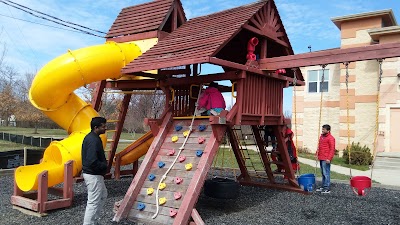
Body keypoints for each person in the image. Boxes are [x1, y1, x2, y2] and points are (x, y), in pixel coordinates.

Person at [82, 117, 108, 225]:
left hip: (95, 175)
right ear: (96, 127)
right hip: (93, 175)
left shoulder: (94, 138)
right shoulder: (93, 140)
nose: (105, 128)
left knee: (103, 195)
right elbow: (92, 161)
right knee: (93, 202)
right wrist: (104, 166)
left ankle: (94, 221)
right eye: (103, 126)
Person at [316, 124, 336, 194]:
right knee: (323, 173)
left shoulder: (331, 138)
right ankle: (323, 186)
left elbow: (332, 149)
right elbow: (319, 146)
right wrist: (317, 154)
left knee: (326, 173)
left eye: (324, 129)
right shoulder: (322, 137)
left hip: (326, 158)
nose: (322, 130)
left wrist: (329, 158)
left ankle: (327, 188)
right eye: (322, 129)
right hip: (321, 157)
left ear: (328, 130)